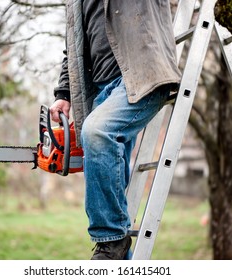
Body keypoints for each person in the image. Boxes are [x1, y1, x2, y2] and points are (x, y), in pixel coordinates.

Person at [49, 0, 181, 260]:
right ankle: (120, 257)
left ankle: (110, 239)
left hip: (142, 77)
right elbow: (73, 50)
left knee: (97, 132)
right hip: (103, 91)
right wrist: (64, 93)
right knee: (113, 183)